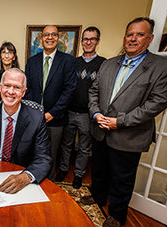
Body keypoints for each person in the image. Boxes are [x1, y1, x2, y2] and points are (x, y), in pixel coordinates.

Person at [87, 17, 167, 226]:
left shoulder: (160, 66)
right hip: (100, 130)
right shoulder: (109, 63)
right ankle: (96, 198)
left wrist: (118, 122)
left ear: (149, 39)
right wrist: (96, 114)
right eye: (130, 34)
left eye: (140, 35)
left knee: (122, 179)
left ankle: (117, 214)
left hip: (129, 135)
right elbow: (93, 92)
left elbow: (156, 103)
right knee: (98, 170)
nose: (133, 39)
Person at [55, 27, 106, 189]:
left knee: (84, 147)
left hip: (88, 114)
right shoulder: (73, 62)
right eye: (85, 39)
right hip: (69, 111)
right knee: (66, 144)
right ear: (81, 41)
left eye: (92, 39)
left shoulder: (104, 64)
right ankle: (63, 170)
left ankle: (78, 174)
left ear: (97, 41)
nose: (88, 42)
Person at [25, 25, 77, 180]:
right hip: (33, 117)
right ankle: (32, 182)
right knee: (31, 152)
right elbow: (26, 89)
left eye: (53, 35)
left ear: (58, 38)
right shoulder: (32, 61)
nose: (50, 38)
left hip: (55, 119)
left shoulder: (68, 61)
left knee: (50, 154)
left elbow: (69, 90)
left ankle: (49, 185)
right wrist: (34, 112)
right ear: (41, 38)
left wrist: (52, 113)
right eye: (46, 35)